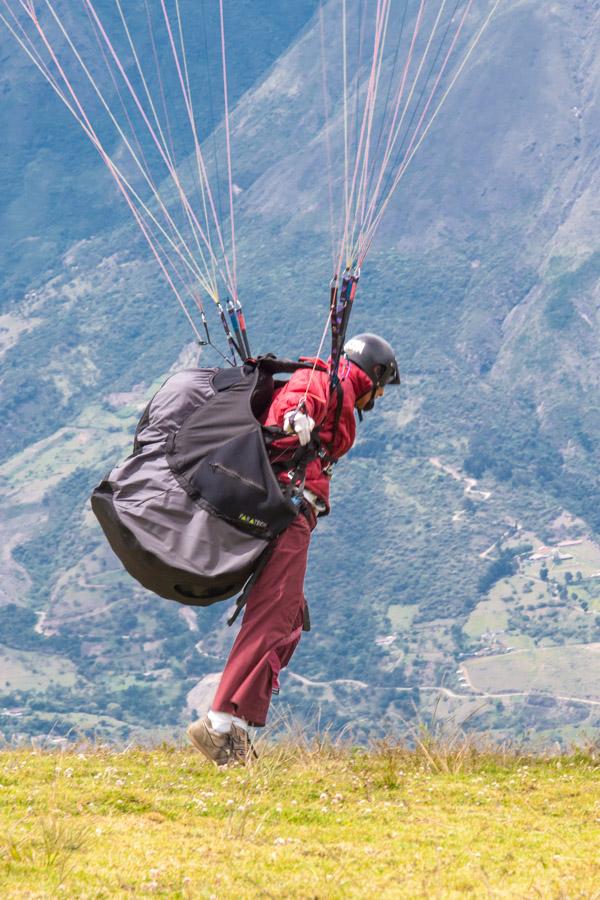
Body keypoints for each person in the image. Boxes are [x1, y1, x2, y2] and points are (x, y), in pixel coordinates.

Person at [187, 333, 400, 765]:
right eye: (382, 386)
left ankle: (238, 725)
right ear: (374, 374)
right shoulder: (322, 381)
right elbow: (299, 399)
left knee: (288, 622)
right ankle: (217, 725)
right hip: (288, 511)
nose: (378, 397)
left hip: (296, 516)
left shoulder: (337, 391)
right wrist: (296, 418)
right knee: (271, 617)